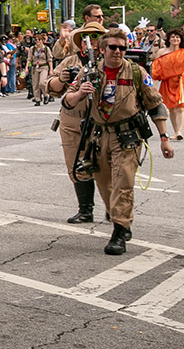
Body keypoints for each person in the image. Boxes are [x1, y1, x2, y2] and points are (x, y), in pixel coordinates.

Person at [64, 28, 174, 255]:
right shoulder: (89, 71)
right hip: (98, 136)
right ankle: (120, 219)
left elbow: (155, 104)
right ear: (102, 50)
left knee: (123, 183)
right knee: (105, 184)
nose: (118, 52)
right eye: (113, 47)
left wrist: (164, 138)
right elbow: (68, 100)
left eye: (122, 48)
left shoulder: (136, 72)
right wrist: (81, 93)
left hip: (126, 137)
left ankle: (119, 230)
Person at [46, 5, 105, 223]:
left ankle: (112, 205)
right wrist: (63, 78)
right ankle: (85, 209)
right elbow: (50, 87)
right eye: (87, 36)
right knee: (75, 164)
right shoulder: (70, 62)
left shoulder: (109, 61)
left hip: (100, 121)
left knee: (105, 166)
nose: (92, 40)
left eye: (97, 36)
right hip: (72, 120)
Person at [151, 28, 184, 140]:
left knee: (180, 107)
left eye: (177, 37)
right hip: (167, 82)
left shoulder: (183, 52)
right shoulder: (161, 52)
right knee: (171, 108)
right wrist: (153, 86)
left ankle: (179, 131)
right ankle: (175, 131)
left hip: (181, 82)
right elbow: (156, 70)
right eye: (173, 37)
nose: (175, 39)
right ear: (169, 39)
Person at [29, 32, 52, 105]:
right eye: (36, 40)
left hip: (44, 66)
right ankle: (37, 99)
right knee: (35, 84)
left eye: (39, 39)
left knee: (42, 82)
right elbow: (29, 59)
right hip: (35, 67)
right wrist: (26, 68)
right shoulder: (32, 49)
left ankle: (45, 95)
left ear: (42, 40)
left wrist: (51, 69)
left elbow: (50, 59)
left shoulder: (46, 49)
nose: (37, 41)